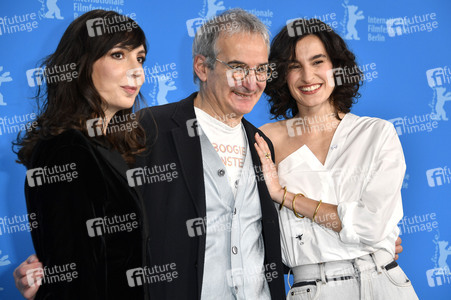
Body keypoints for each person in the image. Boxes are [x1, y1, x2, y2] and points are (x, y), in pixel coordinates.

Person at [254, 18, 418, 299]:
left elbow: (372, 225)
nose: (308, 77)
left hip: (383, 282)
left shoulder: (376, 133)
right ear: (282, 74)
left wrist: (284, 196)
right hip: (311, 288)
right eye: (295, 66)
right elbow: (250, 232)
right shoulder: (264, 139)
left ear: (337, 67)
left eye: (318, 62)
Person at [13, 10, 150, 300]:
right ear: (82, 64)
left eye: (140, 58)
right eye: (118, 55)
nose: (136, 70)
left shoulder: (113, 149)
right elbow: (73, 279)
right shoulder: (66, 150)